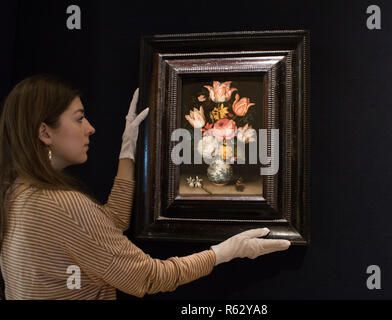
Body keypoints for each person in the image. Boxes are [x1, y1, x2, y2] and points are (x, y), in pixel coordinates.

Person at [0, 74, 290, 300]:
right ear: (44, 132)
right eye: (79, 118)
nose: (90, 128)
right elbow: (148, 277)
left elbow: (105, 227)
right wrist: (224, 252)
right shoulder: (64, 204)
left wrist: (128, 151)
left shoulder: (16, 192)